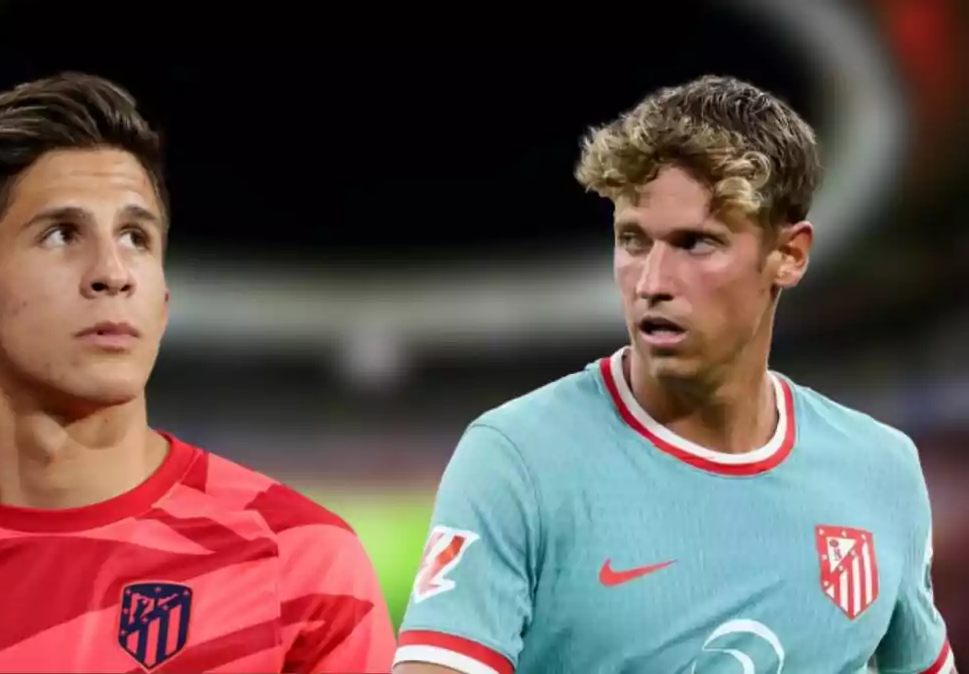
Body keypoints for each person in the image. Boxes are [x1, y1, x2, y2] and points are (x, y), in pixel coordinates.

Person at [0, 73, 396, 673]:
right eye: (60, 234)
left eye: (135, 237)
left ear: (162, 302)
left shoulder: (304, 562)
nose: (112, 271)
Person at [393, 76, 956, 674]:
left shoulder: (881, 469)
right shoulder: (519, 459)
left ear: (789, 255)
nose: (652, 281)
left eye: (696, 244)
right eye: (632, 240)